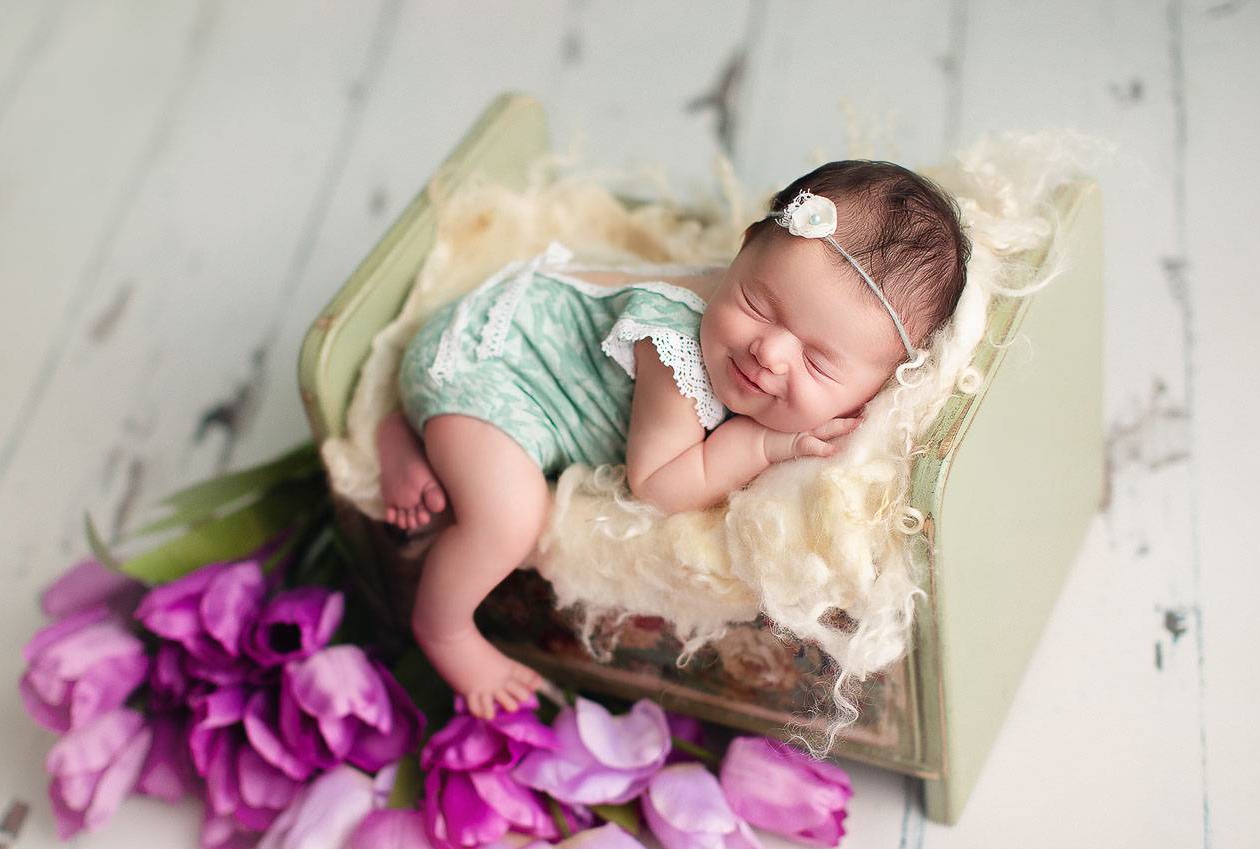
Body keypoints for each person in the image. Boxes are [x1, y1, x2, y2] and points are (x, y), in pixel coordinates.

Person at [373, 160, 970, 719]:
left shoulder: (771, 334)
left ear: (875, 390)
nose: (769, 351)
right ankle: (444, 627)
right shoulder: (674, 345)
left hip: (497, 365)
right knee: (511, 517)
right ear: (743, 252)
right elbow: (658, 484)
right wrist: (764, 445)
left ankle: (410, 438)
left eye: (817, 362)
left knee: (488, 483)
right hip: (492, 371)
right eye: (758, 304)